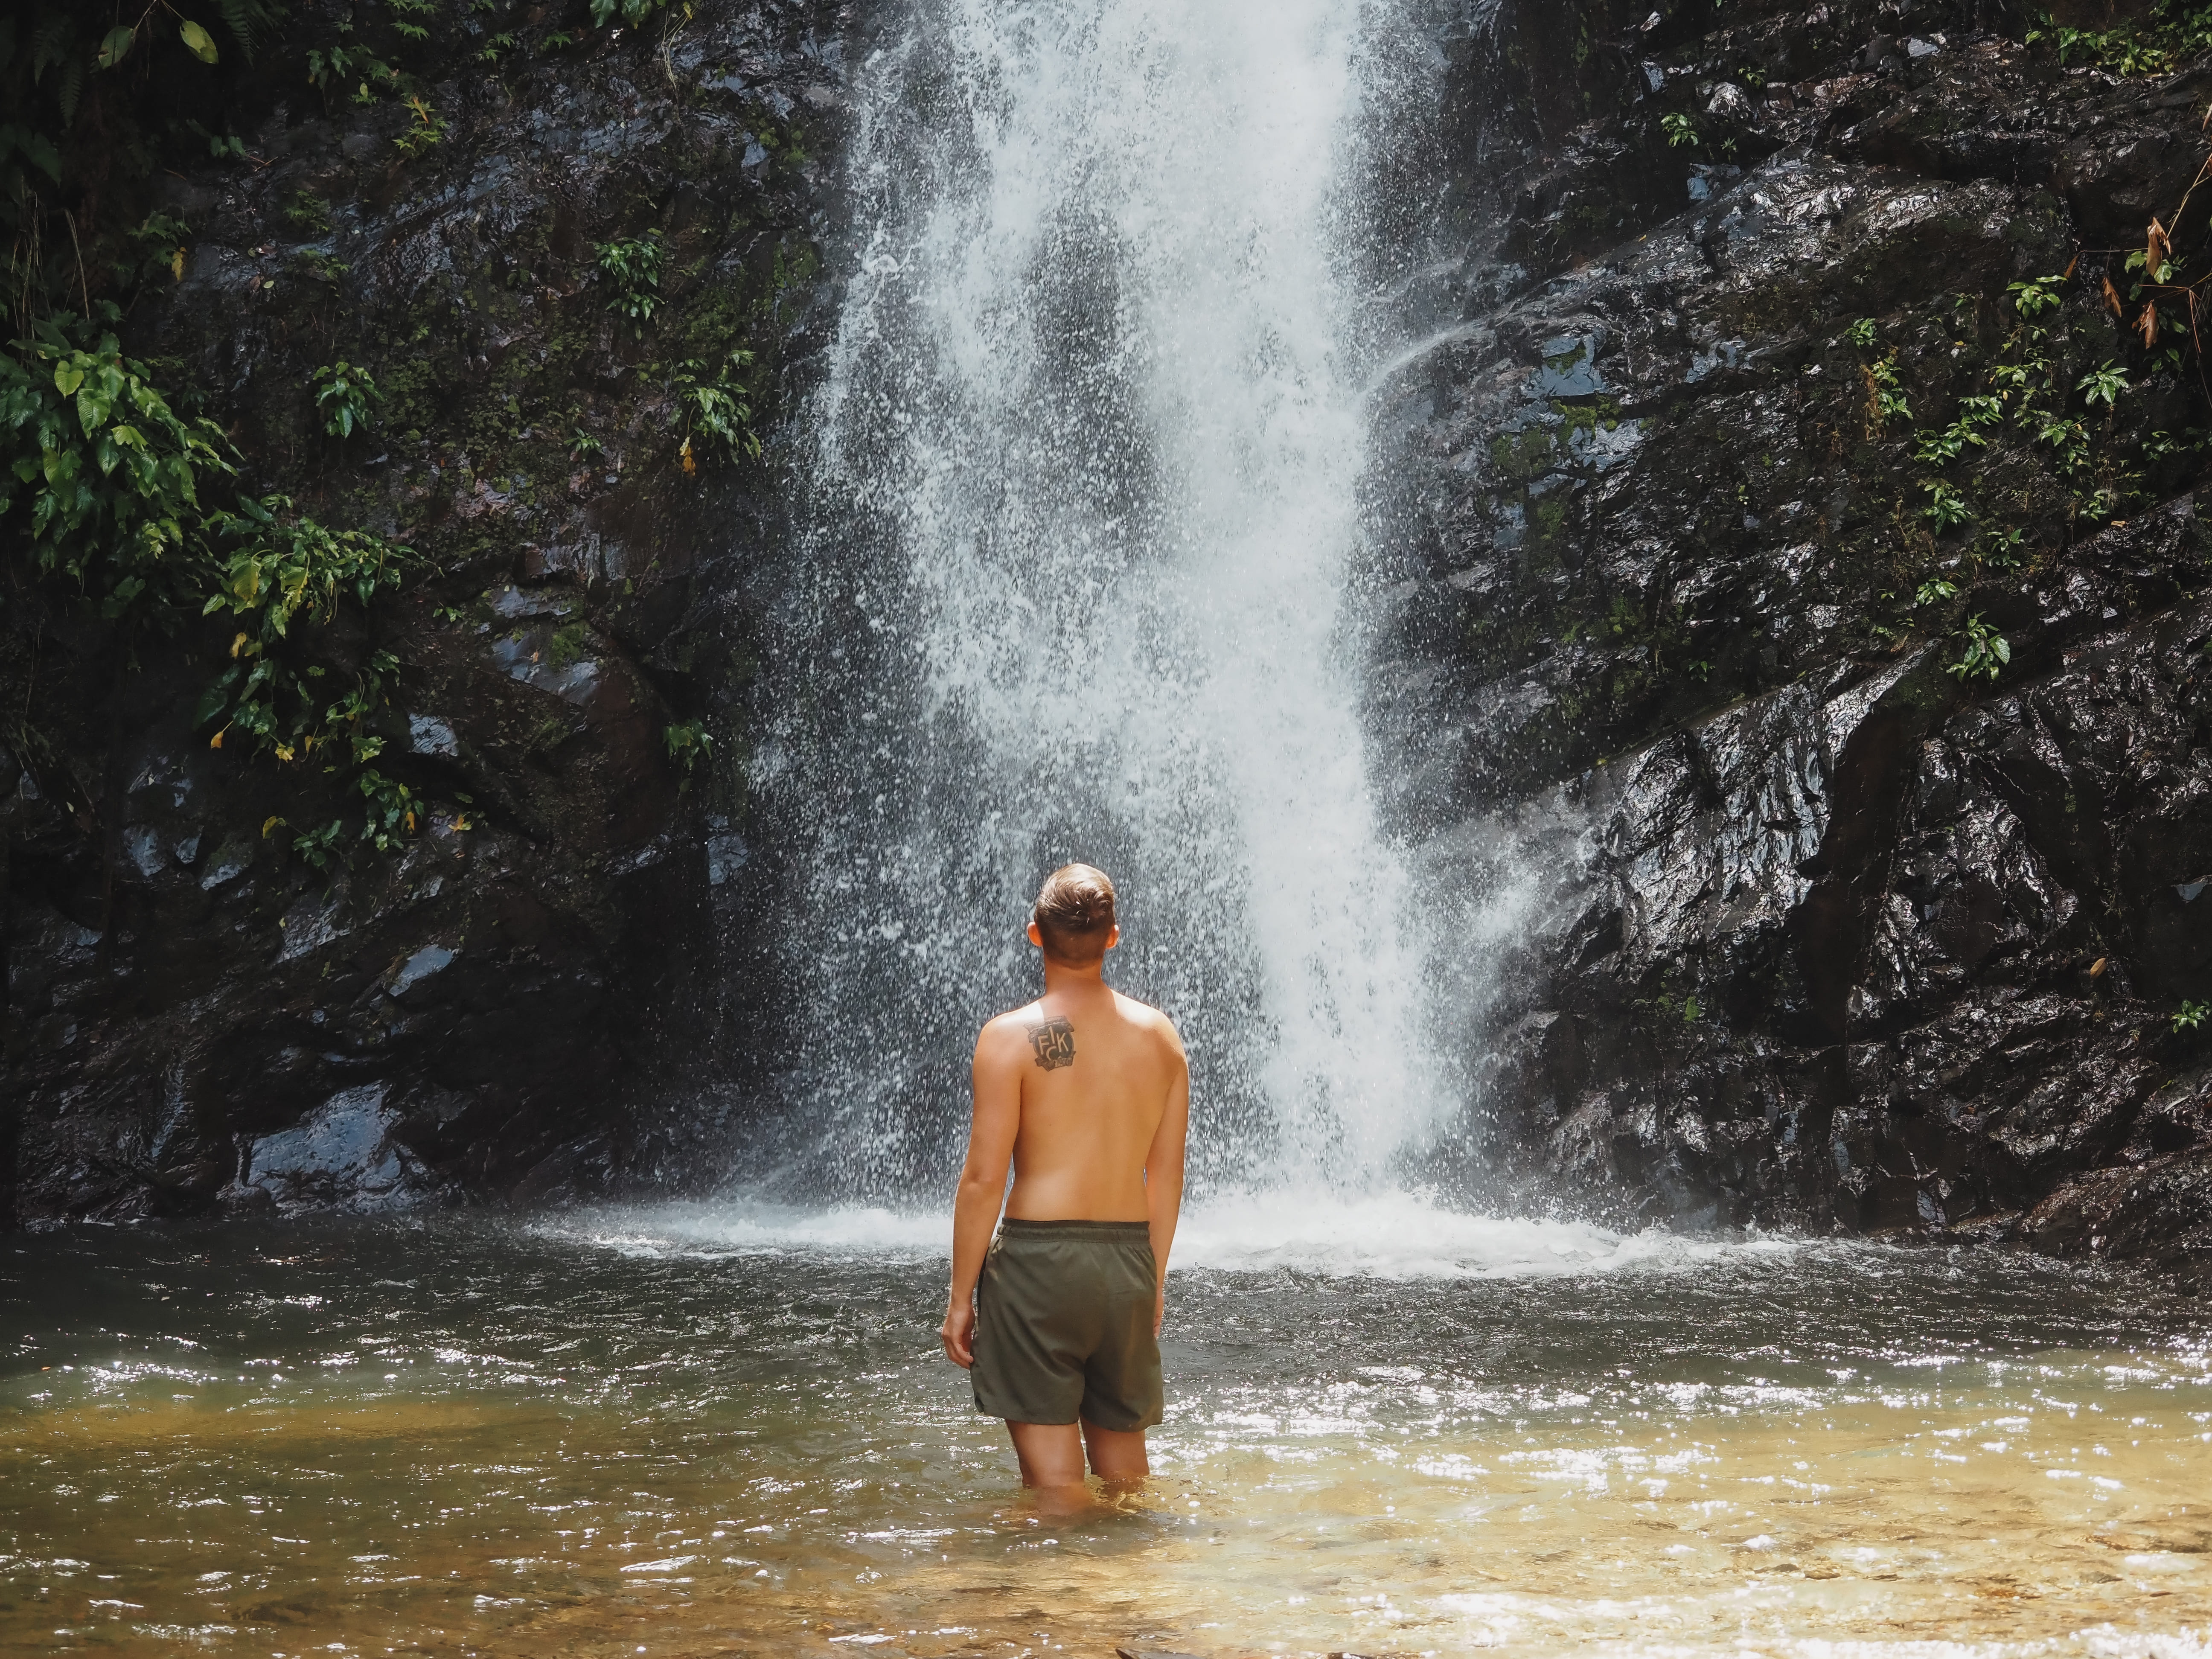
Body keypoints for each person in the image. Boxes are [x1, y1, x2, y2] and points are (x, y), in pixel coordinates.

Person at [939, 862, 1190, 1495]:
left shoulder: (1008, 1039)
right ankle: (1135, 1589)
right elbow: (1166, 1177)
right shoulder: (1161, 1039)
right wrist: (1152, 1278)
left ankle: (1064, 1593)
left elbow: (983, 1179)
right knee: (1126, 1478)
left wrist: (961, 1296)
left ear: (1035, 935)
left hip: (1039, 1269)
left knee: (1055, 1488)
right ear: (1113, 937)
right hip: (1127, 1265)